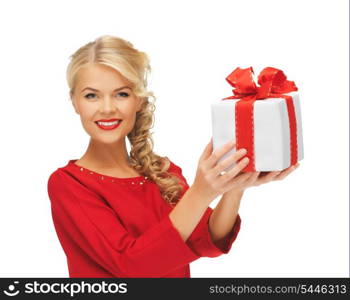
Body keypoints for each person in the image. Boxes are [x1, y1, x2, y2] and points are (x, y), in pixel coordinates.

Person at [47, 35, 299, 278]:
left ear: (138, 100)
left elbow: (205, 238)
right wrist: (201, 192)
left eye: (121, 94)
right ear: (74, 102)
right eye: (91, 95)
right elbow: (131, 266)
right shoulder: (68, 185)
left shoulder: (162, 171)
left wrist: (234, 187)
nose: (107, 108)